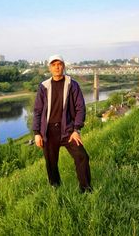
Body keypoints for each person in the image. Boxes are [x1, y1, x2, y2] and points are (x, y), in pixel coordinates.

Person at [33, 54, 92, 193]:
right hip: (48, 131)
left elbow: (80, 107)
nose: (57, 67)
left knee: (82, 156)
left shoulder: (72, 84)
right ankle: (56, 189)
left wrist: (76, 129)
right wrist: (37, 133)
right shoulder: (44, 86)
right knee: (51, 163)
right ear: (50, 68)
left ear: (63, 66)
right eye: (53, 64)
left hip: (68, 130)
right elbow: (37, 111)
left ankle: (86, 190)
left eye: (59, 64)